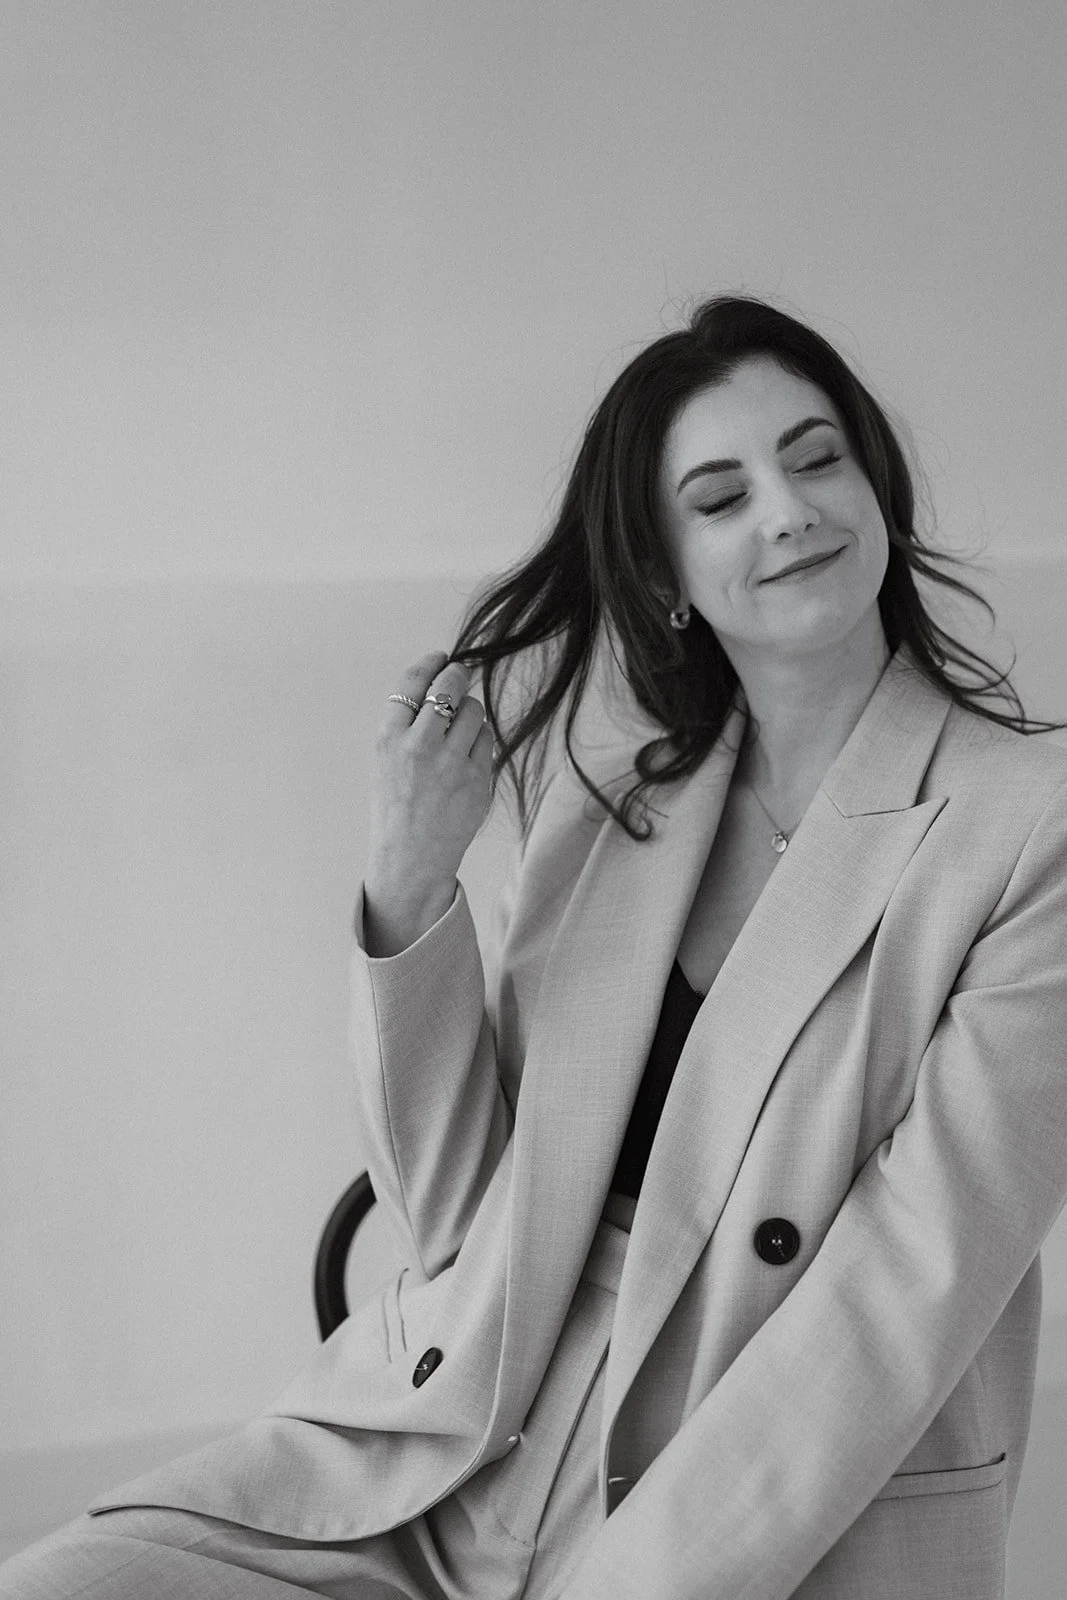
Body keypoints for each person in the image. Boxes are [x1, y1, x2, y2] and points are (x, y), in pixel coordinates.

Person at [5, 293, 1067, 1600]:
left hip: (738, 1487)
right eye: (719, 495)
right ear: (665, 576)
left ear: (872, 487)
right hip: (447, 1451)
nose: (788, 511)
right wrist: (410, 879)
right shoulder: (617, 807)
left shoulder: (1026, 822)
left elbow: (907, 1290)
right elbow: (454, 1219)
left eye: (814, 456)